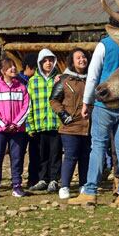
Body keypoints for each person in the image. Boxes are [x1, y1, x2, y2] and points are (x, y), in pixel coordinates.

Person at [70, 29, 119, 207]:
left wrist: (86, 102)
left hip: (105, 104)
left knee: (98, 146)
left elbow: (93, 75)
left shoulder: (105, 44)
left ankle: (90, 191)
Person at [50, 48, 91, 200]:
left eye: (84, 57)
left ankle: (84, 185)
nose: (82, 60)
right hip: (70, 125)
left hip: (88, 124)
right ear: (72, 61)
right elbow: (54, 99)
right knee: (70, 156)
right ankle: (65, 186)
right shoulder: (64, 79)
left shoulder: (92, 78)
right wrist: (62, 114)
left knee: (85, 156)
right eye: (78, 57)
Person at [0, 58, 31, 198]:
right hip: (0, 130)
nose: (13, 69)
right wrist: (3, 124)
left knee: (17, 157)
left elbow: (26, 106)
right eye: (10, 67)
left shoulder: (22, 87)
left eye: (14, 66)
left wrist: (16, 123)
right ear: (2, 71)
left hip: (17, 130)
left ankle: (17, 186)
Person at [26, 49, 62, 192]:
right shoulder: (32, 81)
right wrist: (30, 125)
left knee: (55, 153)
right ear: (40, 63)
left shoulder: (59, 79)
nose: (48, 63)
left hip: (55, 123)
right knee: (41, 154)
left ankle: (54, 179)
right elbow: (28, 105)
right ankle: (42, 179)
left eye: (51, 60)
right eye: (45, 61)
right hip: (39, 124)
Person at [18, 52, 41, 187]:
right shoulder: (19, 81)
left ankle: (33, 178)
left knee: (35, 152)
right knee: (19, 153)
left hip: (33, 122)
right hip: (21, 123)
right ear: (28, 67)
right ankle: (17, 179)